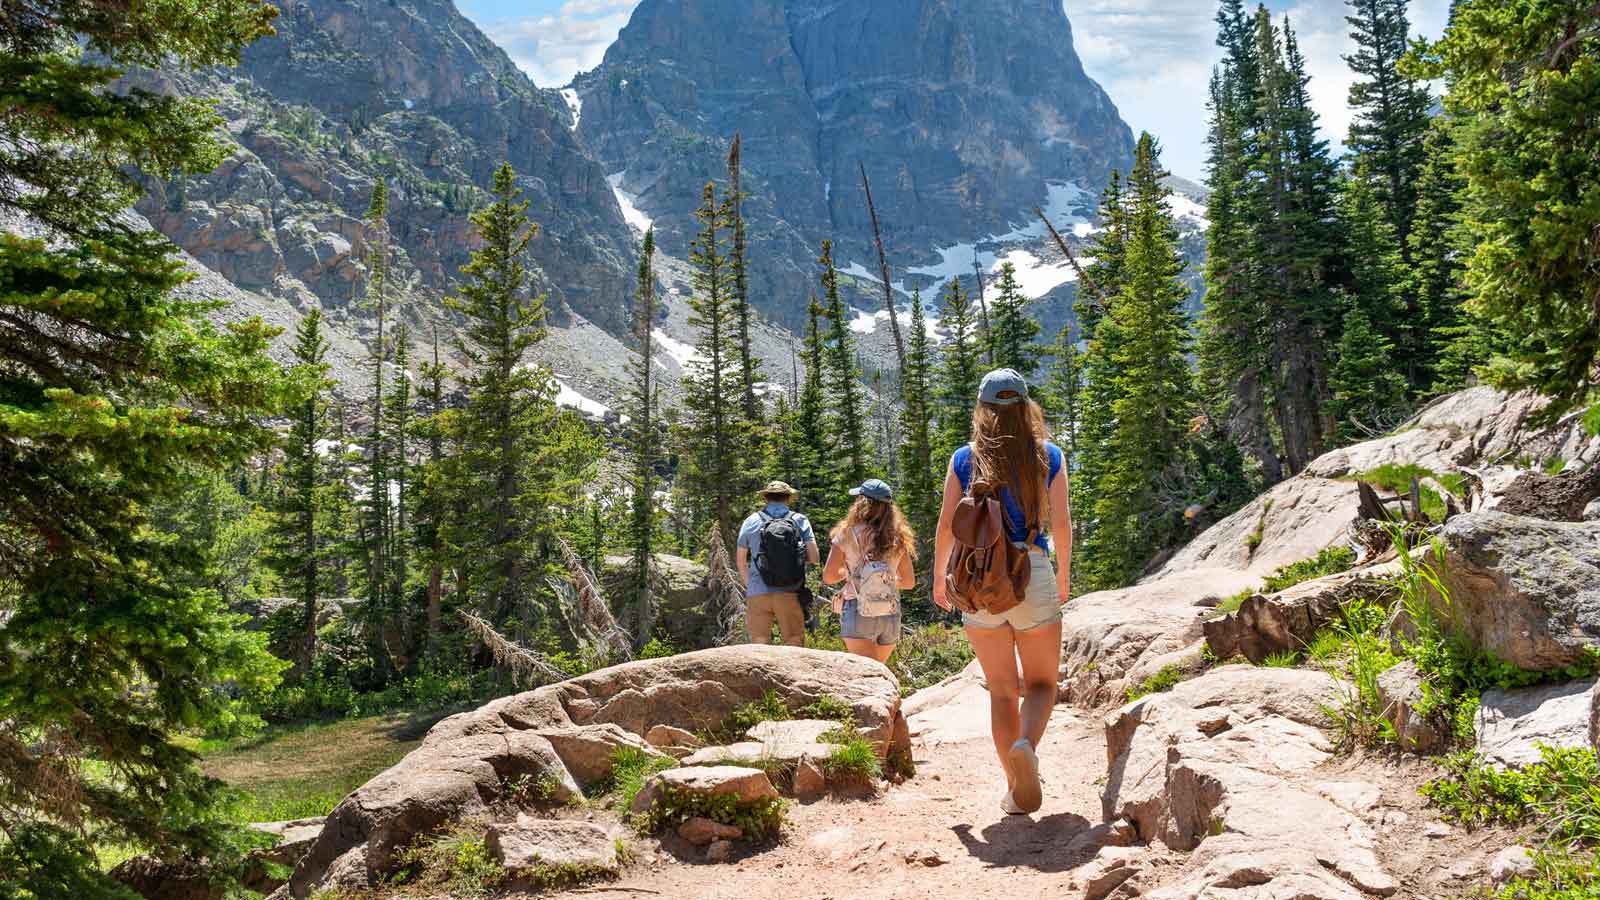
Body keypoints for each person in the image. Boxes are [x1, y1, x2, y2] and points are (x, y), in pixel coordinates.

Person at [932, 368, 1071, 816]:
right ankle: (1026, 746)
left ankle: (1015, 789)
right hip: (1030, 569)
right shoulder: (1047, 455)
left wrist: (940, 578)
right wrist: (1063, 577)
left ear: (983, 410)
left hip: (979, 580)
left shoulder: (963, 458)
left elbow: (947, 525)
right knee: (1043, 683)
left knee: (1001, 691)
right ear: (1026, 407)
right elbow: (1063, 525)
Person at [821, 479, 917, 664]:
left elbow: (829, 576)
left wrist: (851, 574)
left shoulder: (847, 534)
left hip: (858, 611)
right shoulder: (898, 537)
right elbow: (908, 582)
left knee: (868, 679)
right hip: (889, 613)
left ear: (861, 503)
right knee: (879, 672)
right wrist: (883, 579)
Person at [736, 481, 820, 646]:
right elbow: (815, 557)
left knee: (759, 644)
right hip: (790, 591)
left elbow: (741, 560)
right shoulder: (799, 520)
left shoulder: (751, 521)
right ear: (788, 498)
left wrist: (751, 585)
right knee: (793, 641)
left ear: (765, 498)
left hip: (758, 591)